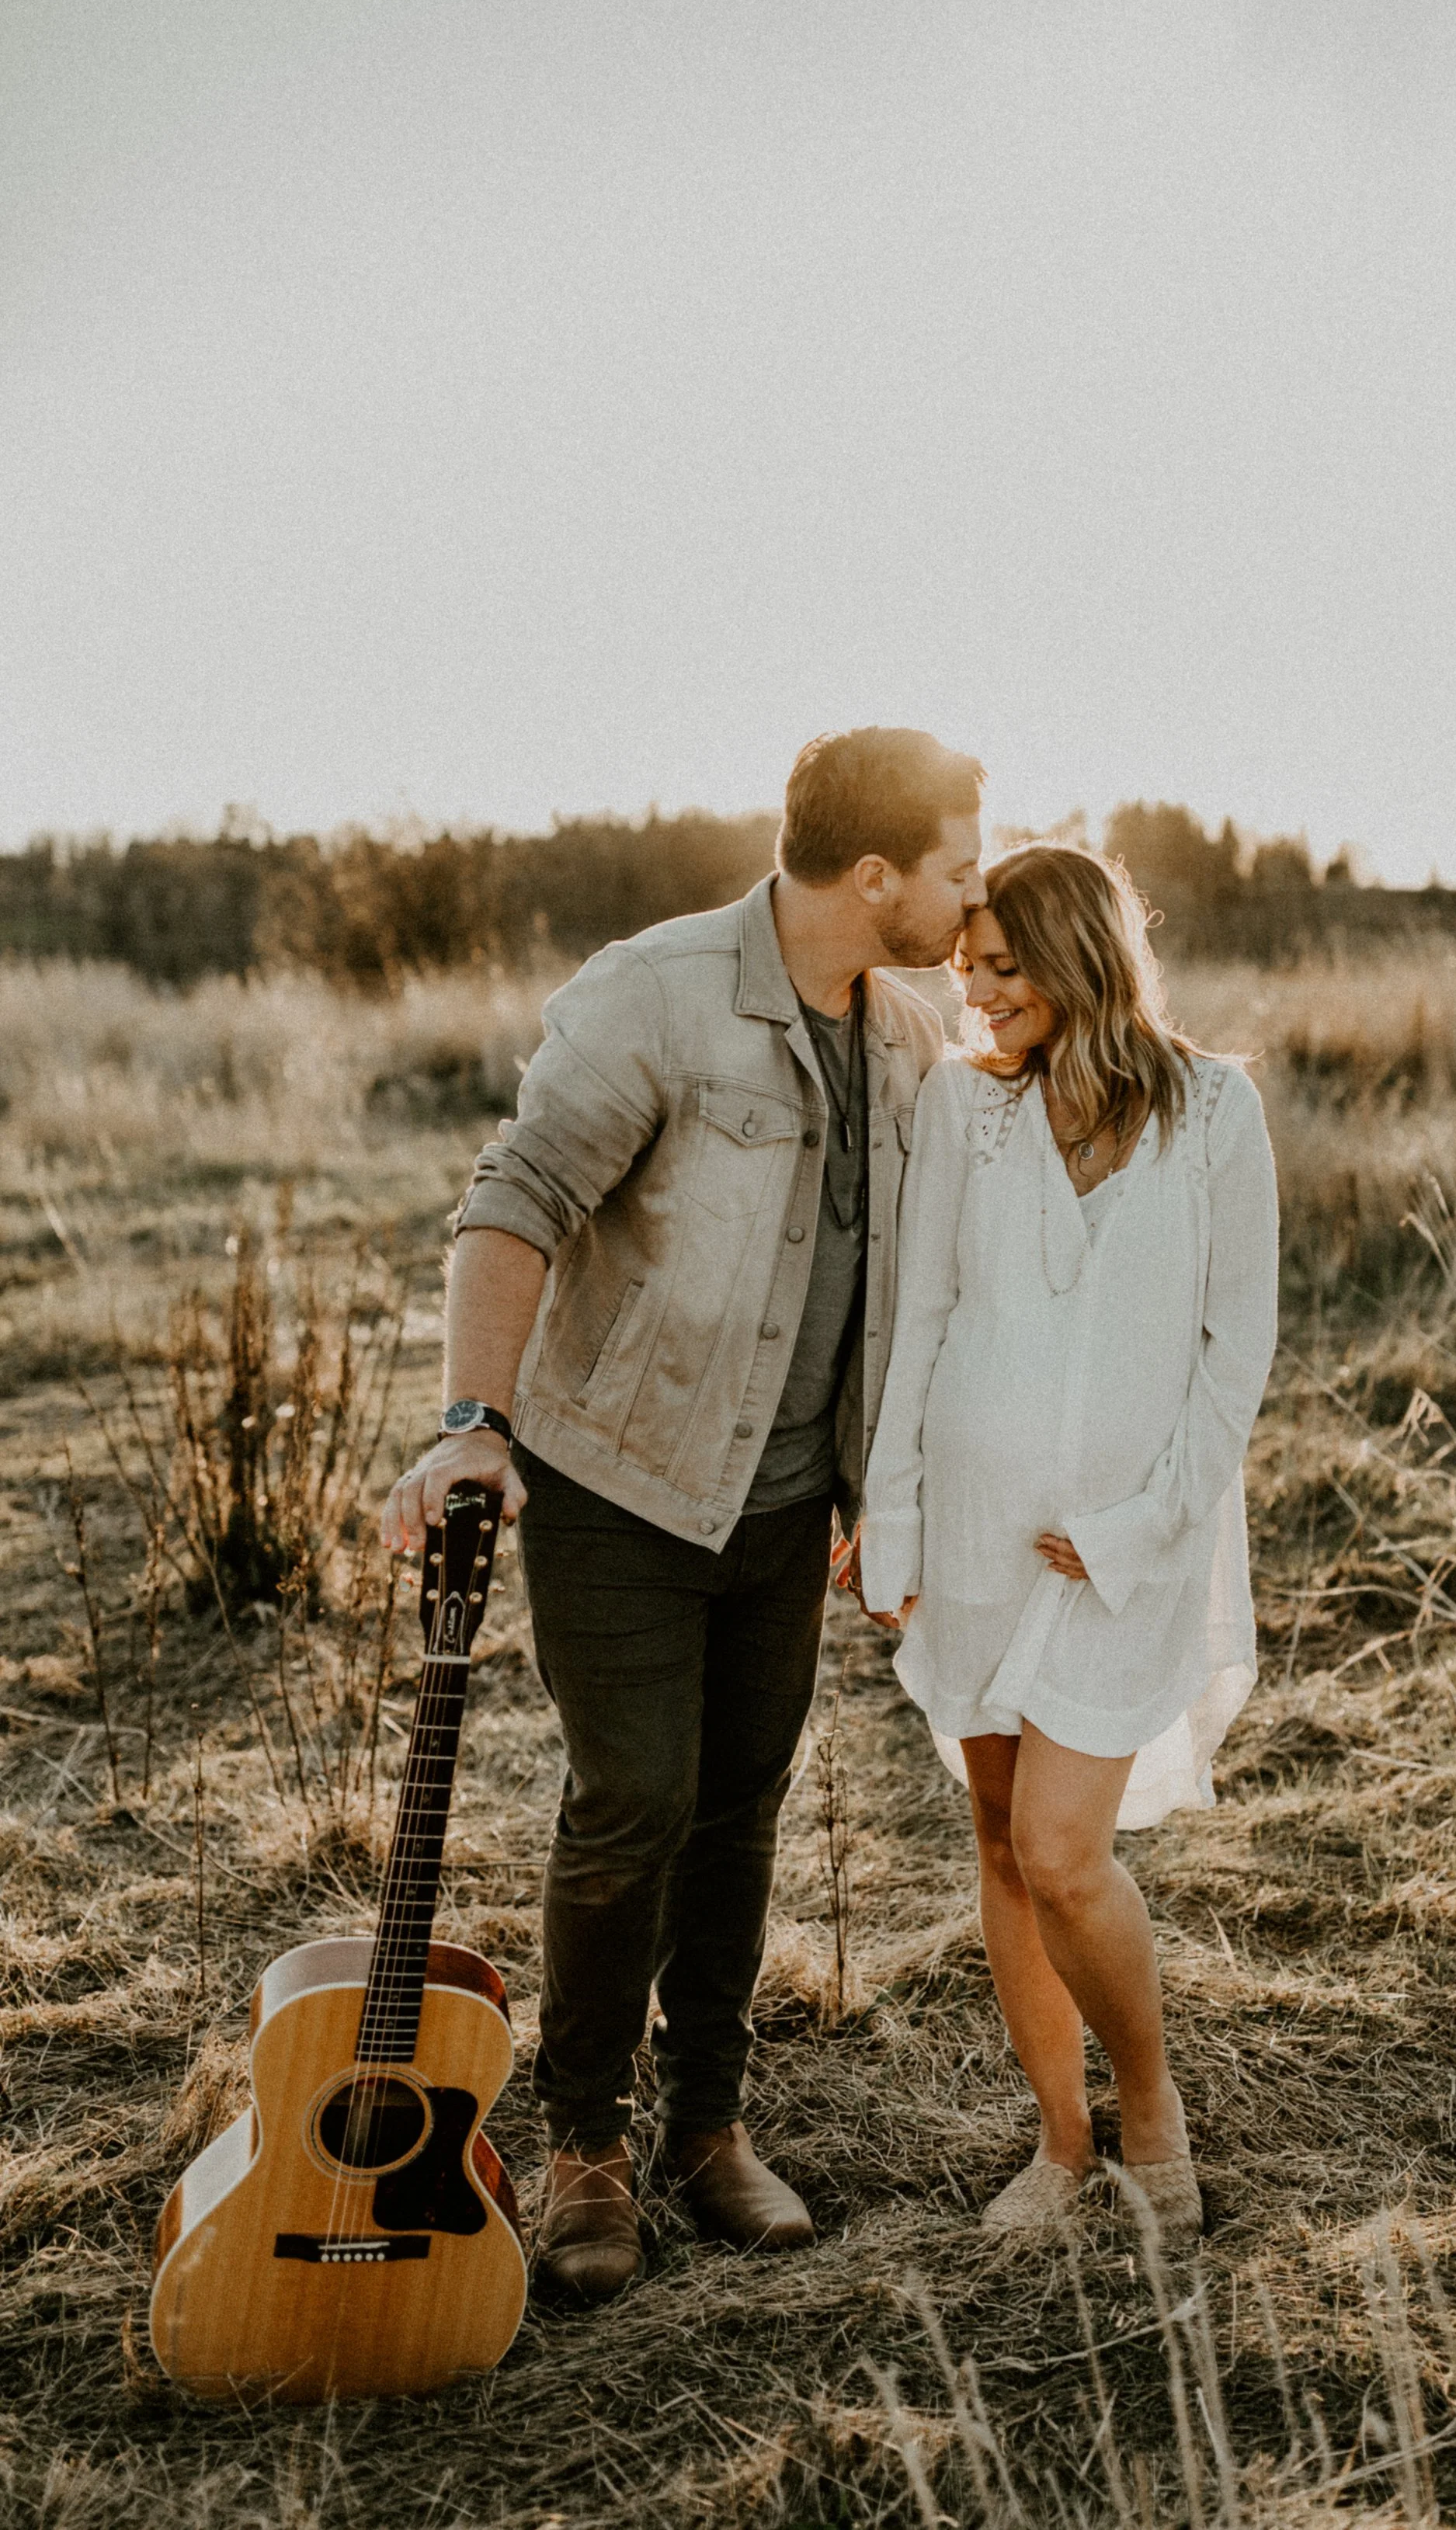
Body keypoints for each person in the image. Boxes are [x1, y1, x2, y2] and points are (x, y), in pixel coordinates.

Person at [381, 727, 985, 2302]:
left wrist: (888, 1487)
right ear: (874, 875)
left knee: (737, 1809)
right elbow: (513, 1199)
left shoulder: (912, 1034)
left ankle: (704, 2128)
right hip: (618, 1487)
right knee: (634, 1794)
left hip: (787, 1510)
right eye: (954, 867)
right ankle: (582, 2138)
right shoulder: (652, 993)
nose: (965, 894)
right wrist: (472, 1426)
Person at [859, 843, 1278, 2242]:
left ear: (1083, 953)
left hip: (1121, 1551)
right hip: (973, 1539)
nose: (973, 991)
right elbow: (921, 1321)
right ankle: (1059, 2142)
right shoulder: (963, 1112)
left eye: (1001, 964)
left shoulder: (1216, 1114)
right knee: (995, 1832)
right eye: (966, 966)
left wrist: (1135, 1527)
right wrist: (897, 1518)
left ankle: (1148, 2104)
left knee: (1063, 1847)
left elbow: (1235, 1360)